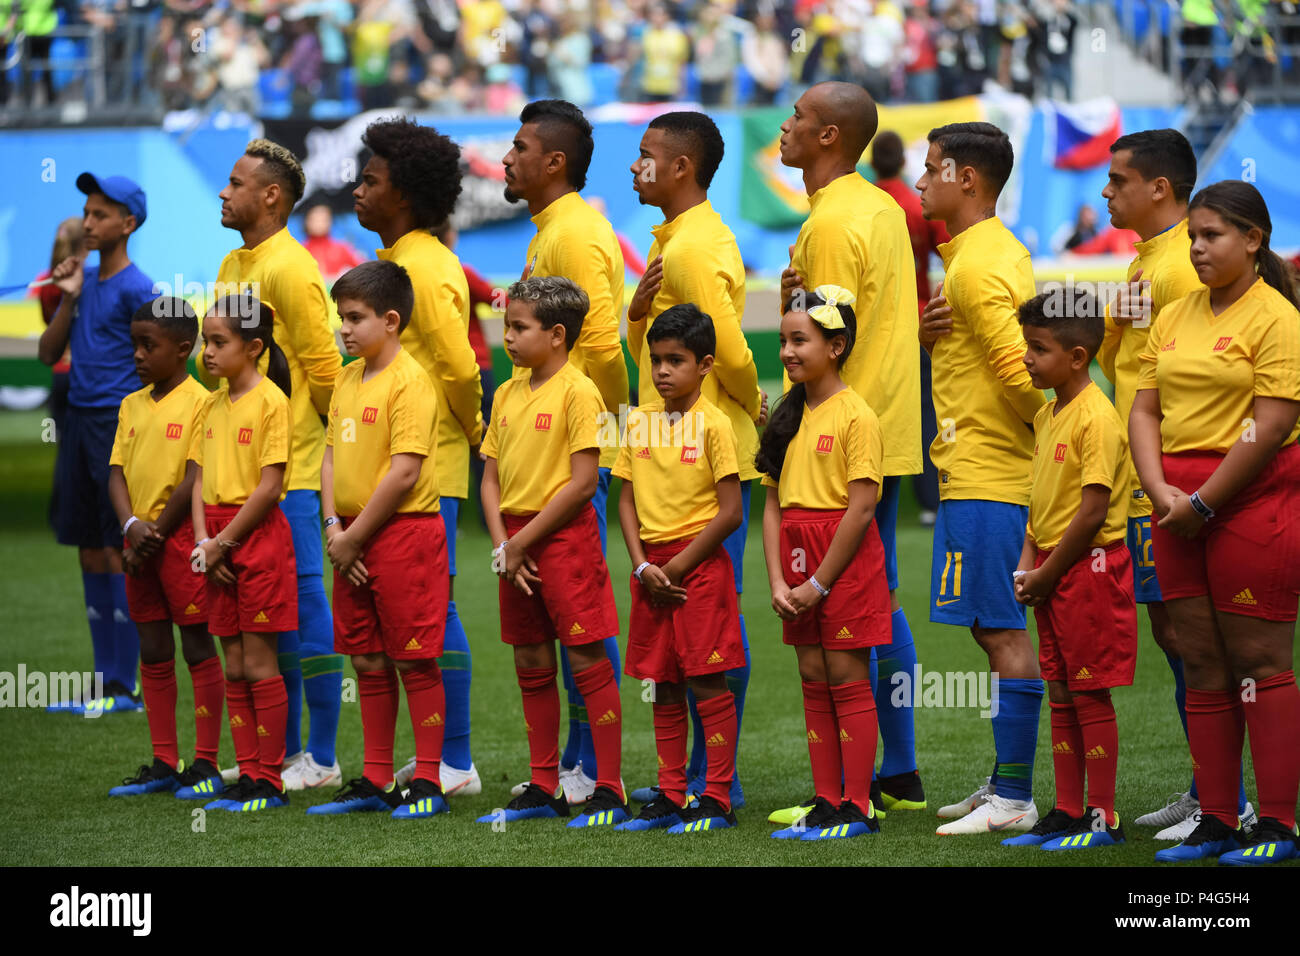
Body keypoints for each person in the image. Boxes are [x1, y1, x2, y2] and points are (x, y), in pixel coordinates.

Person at [1131, 180, 1300, 866]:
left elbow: (1273, 422)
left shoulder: (1277, 318)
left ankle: (1281, 825)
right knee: (1200, 663)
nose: (1197, 248)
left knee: (1259, 663)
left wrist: (1203, 504)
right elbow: (1144, 408)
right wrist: (1161, 490)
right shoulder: (1174, 314)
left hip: (1251, 500)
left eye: (1213, 236)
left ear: (1254, 240)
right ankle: (1218, 818)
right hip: (1174, 503)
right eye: (1193, 236)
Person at [1097, 129, 1255, 840]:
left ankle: (1226, 797)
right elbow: (1126, 367)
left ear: (1159, 188)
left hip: (1178, 479)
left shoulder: (1180, 270)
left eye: (1118, 180)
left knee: (1201, 639)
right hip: (1148, 478)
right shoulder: (1148, 265)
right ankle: (1207, 789)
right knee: (1174, 633)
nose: (1106, 192)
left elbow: (1198, 381)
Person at [774, 81, 924, 823]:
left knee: (857, 613)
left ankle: (874, 778)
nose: (786, 125)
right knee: (878, 601)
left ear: (830, 135)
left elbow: (822, 344)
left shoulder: (834, 219)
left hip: (842, 440)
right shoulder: (881, 206)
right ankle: (890, 772)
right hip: (884, 423)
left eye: (799, 117)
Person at [624, 111, 762, 812]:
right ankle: (689, 787)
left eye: (645, 156)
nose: (634, 167)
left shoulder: (694, 247)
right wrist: (635, 321)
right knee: (677, 653)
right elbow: (659, 351)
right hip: (661, 466)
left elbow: (728, 351)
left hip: (704, 465)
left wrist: (758, 404)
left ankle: (718, 785)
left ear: (682, 168)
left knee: (710, 638)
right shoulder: (674, 243)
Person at [915, 122, 1047, 835]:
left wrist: (1063, 439)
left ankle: (1017, 799)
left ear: (966, 178)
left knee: (1001, 631)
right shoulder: (977, 257)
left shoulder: (978, 266)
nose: (920, 182)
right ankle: (1006, 780)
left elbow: (1023, 373)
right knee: (987, 628)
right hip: (977, 471)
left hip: (992, 475)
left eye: (931, 169)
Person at [353, 118, 483, 796]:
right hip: (396, 455)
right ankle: (434, 759)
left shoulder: (424, 267)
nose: (357, 190)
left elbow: (460, 369)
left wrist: (473, 429)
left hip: (426, 462)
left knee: (434, 610)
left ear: (402, 194)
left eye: (371, 181)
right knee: (410, 611)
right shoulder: (406, 260)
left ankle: (454, 762)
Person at [501, 99, 627, 802]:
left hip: (575, 456)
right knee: (551, 628)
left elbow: (600, 346)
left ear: (554, 162)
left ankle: (592, 770)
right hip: (552, 454)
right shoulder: (555, 229)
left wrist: (601, 434)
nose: (505, 159)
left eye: (519, 147)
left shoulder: (574, 233)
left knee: (580, 626)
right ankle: (574, 768)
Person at [213, 139, 344, 792]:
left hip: (288, 474)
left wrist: (333, 453)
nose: (222, 192)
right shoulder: (235, 262)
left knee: (304, 606)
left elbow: (324, 368)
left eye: (234, 183)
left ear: (270, 196)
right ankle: (278, 752)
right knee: (258, 616)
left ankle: (320, 756)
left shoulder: (291, 269)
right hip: (240, 472)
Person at [477, 276, 627, 828]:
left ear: (558, 335)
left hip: (561, 539)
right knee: (531, 659)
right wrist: (502, 544)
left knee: (585, 657)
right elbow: (489, 479)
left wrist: (520, 542)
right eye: (507, 324)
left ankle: (608, 785)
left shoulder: (579, 391)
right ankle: (544, 784)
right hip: (514, 544)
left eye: (519, 327)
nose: (508, 336)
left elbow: (584, 483)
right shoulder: (507, 393)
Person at [307, 260, 453, 820]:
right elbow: (328, 458)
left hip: (402, 535)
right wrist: (333, 528)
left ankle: (429, 783)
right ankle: (373, 778)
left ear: (391, 321)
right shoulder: (347, 377)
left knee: (414, 659)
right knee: (366, 659)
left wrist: (353, 538)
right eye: (340, 317)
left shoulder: (411, 382)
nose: (344, 328)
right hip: (349, 535)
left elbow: (405, 473)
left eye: (355, 318)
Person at [1004, 290, 1137, 851]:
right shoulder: (1046, 411)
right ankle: (1066, 808)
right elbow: (1043, 502)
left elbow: (1092, 510)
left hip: (1089, 569)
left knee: (1088, 691)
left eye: (1037, 348)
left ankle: (1102, 817)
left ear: (1078, 356)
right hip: (1053, 570)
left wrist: (1049, 571)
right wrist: (1026, 563)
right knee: (1058, 687)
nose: (1026, 358)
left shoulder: (1098, 418)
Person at [757, 288, 889, 841]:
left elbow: (861, 508)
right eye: (784, 340)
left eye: (800, 340)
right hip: (794, 556)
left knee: (846, 674)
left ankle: (858, 807)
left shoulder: (856, 415)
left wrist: (818, 581)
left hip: (841, 559)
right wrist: (778, 578)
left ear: (836, 347)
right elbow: (770, 504)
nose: (787, 351)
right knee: (812, 674)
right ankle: (827, 801)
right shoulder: (787, 414)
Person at [613, 304, 745, 834]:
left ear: (706, 365)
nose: (663, 370)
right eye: (656, 360)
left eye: (676, 360)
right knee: (662, 683)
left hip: (696, 573)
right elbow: (624, 501)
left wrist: (677, 568)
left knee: (708, 683)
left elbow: (731, 511)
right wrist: (644, 565)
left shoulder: (714, 425)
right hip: (652, 572)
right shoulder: (639, 419)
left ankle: (715, 797)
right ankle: (670, 793)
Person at [39, 173, 155, 715]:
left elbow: (167, 354)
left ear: (127, 224)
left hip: (117, 426)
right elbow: (47, 353)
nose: (88, 223)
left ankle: (124, 686)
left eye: (101, 215)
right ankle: (103, 678)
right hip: (78, 423)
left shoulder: (138, 287)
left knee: (118, 549)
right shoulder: (82, 279)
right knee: (89, 547)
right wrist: (69, 298)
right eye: (86, 213)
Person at [105, 298, 224, 798]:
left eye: (146, 345)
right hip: (139, 543)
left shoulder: (203, 402)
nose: (136, 354)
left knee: (196, 644)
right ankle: (162, 759)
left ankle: (206, 764)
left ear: (181, 349)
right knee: (153, 647)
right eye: (133, 343)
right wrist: (131, 524)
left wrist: (151, 534)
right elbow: (116, 472)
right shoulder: (131, 405)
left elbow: (193, 477)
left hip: (177, 541)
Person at [191, 294, 297, 814]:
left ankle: (270, 779)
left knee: (258, 662)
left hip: (251, 537)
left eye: (218, 342)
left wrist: (223, 542)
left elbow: (270, 485)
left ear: (253, 348)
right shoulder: (209, 404)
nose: (207, 353)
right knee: (231, 663)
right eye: (205, 342)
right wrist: (201, 542)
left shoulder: (272, 401)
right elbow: (198, 479)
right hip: (213, 541)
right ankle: (248, 769)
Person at [869, 130, 948, 526]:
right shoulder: (915, 204)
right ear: (902, 163)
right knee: (926, 408)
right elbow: (949, 253)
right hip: (916, 317)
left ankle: (868, 490)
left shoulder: (867, 207)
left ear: (872, 163)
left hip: (875, 324)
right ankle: (931, 501)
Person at [301, 204, 364, 284]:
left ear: (330, 221)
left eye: (323, 219)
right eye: (315, 219)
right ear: (307, 221)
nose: (319, 223)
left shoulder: (341, 248)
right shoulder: (301, 249)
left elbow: (362, 269)